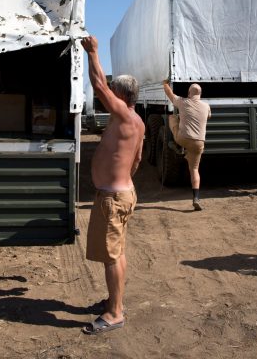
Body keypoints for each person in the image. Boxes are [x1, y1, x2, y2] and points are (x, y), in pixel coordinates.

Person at [80, 35, 145, 335]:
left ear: (122, 97)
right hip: (120, 193)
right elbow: (137, 159)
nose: (108, 97)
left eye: (113, 94)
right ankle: (114, 300)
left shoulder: (123, 116)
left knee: (112, 256)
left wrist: (93, 52)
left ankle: (115, 313)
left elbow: (98, 86)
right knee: (116, 253)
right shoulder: (136, 121)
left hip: (114, 197)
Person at [162, 80, 211, 210]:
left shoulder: (183, 102)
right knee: (194, 170)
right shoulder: (206, 106)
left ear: (189, 93)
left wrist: (165, 83)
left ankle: (176, 146)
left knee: (172, 118)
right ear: (200, 94)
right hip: (199, 143)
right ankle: (196, 197)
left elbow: (170, 94)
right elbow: (209, 116)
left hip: (182, 139)